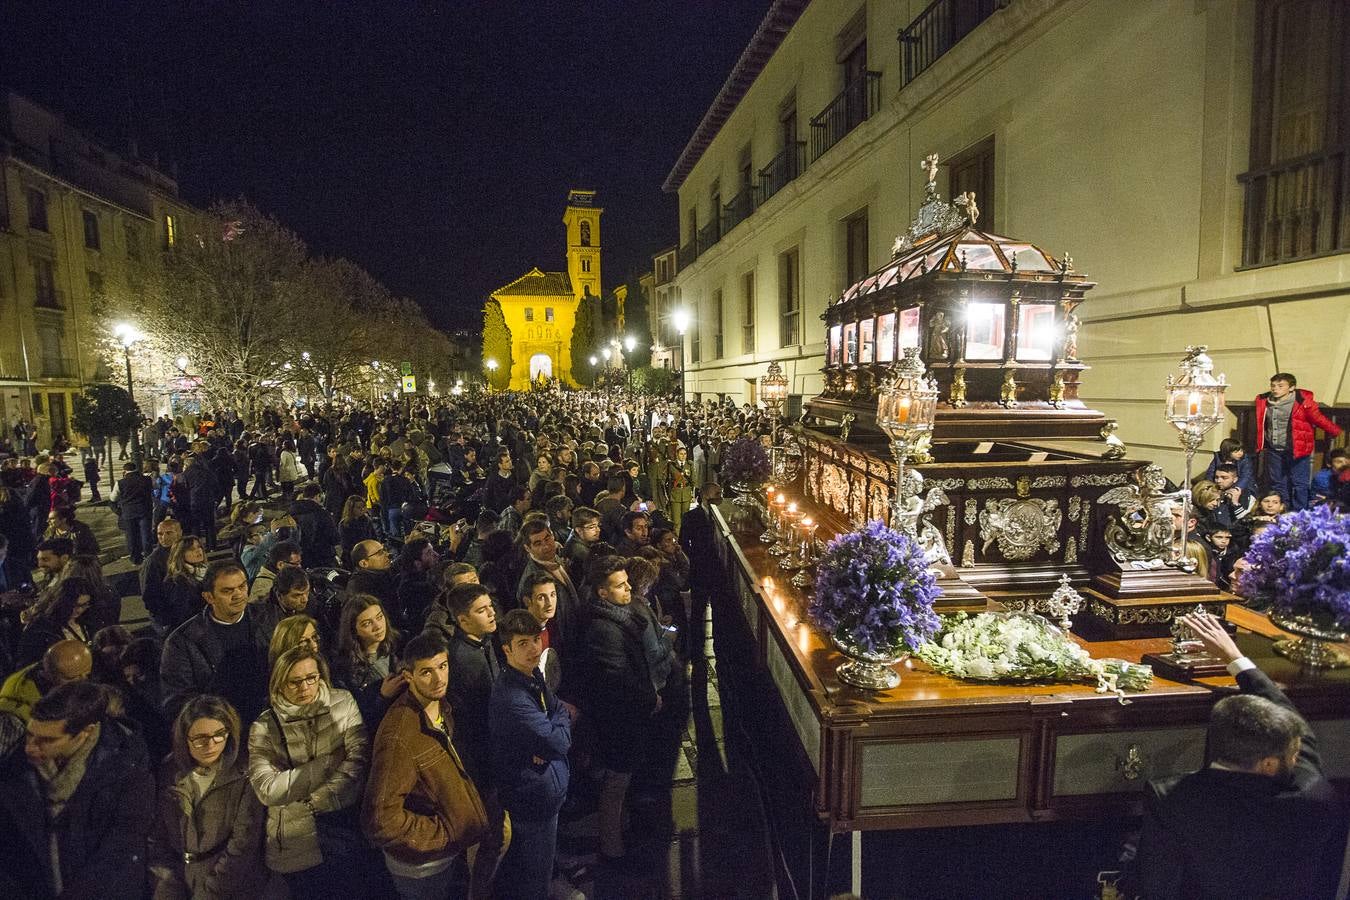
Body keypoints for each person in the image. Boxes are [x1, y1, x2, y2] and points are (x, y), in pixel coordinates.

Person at [1128, 612, 1344, 899]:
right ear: (1268, 763)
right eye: (1292, 753)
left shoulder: (1173, 798)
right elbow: (1295, 722)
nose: (1296, 757)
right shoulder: (1312, 795)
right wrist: (1234, 656)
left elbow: (1158, 884)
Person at [363, 632, 495, 900]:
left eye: (442, 667)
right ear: (408, 676)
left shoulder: (445, 707)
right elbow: (379, 820)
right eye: (426, 672)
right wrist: (443, 834)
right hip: (423, 868)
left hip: (450, 855)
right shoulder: (399, 734)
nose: (438, 679)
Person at [0, 681, 153, 899]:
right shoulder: (15, 770)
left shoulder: (126, 771)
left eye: (47, 740)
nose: (30, 747)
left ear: (85, 733)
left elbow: (119, 853)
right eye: (30, 734)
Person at [247, 645, 371, 894]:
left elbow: (359, 759)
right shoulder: (264, 726)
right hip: (295, 841)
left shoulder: (342, 702)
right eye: (295, 682)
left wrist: (316, 799)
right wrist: (327, 763)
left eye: (311, 678)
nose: (304, 687)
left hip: (341, 824)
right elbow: (268, 789)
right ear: (280, 683)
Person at [148, 695, 268, 900]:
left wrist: (210, 892)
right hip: (180, 880)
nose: (211, 745)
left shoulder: (243, 774)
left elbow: (243, 844)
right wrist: (167, 886)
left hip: (228, 885)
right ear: (185, 738)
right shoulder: (170, 771)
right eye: (200, 738)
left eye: (219, 735)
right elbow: (158, 837)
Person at [491, 608, 572, 900]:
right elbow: (557, 742)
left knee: (541, 859)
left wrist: (554, 722)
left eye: (534, 641)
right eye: (522, 644)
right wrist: (556, 729)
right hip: (533, 795)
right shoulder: (512, 696)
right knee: (534, 873)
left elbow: (557, 709)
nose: (532, 649)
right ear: (506, 649)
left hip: (544, 787)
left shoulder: (531, 676)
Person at [584, 555, 659, 867]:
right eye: (620, 586)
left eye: (628, 583)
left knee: (623, 781)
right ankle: (612, 850)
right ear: (603, 593)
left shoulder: (618, 616)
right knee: (616, 784)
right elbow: (620, 678)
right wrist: (649, 698)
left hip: (626, 717)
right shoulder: (605, 629)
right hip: (619, 720)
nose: (629, 590)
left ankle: (622, 831)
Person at [160, 561, 272, 726]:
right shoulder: (182, 642)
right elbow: (178, 700)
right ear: (209, 597)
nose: (238, 595)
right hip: (223, 727)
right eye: (228, 591)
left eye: (242, 587)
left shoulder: (267, 619)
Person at [1254, 372, 1342, 510]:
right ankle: (1284, 510)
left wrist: (1336, 432)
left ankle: (1300, 513)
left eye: (1280, 386)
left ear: (1291, 387)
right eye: (1273, 385)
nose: (1275, 388)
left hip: (1298, 449)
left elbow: (1318, 418)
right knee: (1278, 483)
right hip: (1274, 449)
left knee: (1299, 483)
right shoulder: (1263, 401)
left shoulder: (1302, 402)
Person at [331, 593, 405, 730]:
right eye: (367, 623)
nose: (378, 626)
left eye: (379, 617)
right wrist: (383, 697)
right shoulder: (345, 669)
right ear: (354, 630)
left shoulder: (400, 645)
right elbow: (357, 718)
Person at [16, 577, 96, 668]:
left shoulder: (89, 622)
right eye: (73, 605)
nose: (78, 610)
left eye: (84, 605)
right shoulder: (41, 629)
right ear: (60, 601)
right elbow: (28, 665)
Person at [142, 518, 184, 632]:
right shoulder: (154, 561)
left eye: (169, 533)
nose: (164, 538)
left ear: (180, 532)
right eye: (160, 534)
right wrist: (164, 619)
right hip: (168, 620)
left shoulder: (183, 553)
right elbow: (149, 595)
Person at [161, 535, 209, 635]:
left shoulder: (207, 571)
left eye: (199, 547)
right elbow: (181, 613)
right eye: (191, 549)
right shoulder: (177, 581)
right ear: (180, 554)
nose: (198, 551)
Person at [112, 461, 154, 565]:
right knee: (146, 534)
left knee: (131, 536)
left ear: (124, 471)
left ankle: (135, 558)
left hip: (128, 512)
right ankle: (148, 556)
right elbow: (156, 486)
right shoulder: (147, 479)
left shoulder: (120, 483)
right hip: (144, 510)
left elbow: (113, 498)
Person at [290, 482, 341, 568]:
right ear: (318, 496)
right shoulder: (322, 514)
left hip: (300, 558)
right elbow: (334, 538)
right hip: (322, 558)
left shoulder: (291, 513)